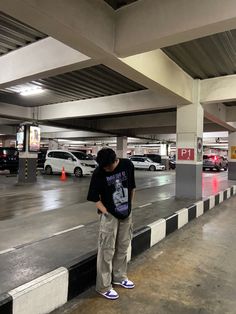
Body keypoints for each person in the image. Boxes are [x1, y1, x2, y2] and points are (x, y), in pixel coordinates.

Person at [87, 148, 136, 300]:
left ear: (115, 160)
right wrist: (106, 212)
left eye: (108, 167)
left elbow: (132, 187)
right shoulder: (99, 172)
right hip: (109, 216)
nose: (105, 169)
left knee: (123, 247)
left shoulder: (127, 165)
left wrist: (129, 207)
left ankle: (119, 277)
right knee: (106, 250)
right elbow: (94, 196)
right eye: (103, 167)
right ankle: (103, 286)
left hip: (126, 213)